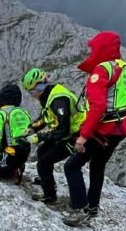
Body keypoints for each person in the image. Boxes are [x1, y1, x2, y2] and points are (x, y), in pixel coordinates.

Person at [62, 30, 126, 227]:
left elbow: (98, 106)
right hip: (120, 128)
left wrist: (83, 136)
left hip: (104, 129)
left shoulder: (102, 70)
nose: (91, 51)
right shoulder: (124, 68)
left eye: (94, 48)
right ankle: (92, 208)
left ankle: (78, 208)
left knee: (71, 165)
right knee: (97, 166)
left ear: (102, 48)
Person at [21, 68, 82, 204]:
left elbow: (63, 130)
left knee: (44, 162)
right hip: (67, 134)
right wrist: (32, 128)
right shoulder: (48, 94)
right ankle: (47, 180)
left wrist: (39, 137)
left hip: (75, 137)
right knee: (42, 151)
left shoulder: (58, 100)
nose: (31, 96)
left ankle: (50, 196)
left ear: (39, 87)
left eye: (31, 92)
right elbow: (45, 116)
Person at [0, 83, 33, 184]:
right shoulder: (25, 113)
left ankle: (8, 167)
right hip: (24, 154)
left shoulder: (0, 115)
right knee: (13, 157)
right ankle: (17, 167)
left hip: (9, 155)